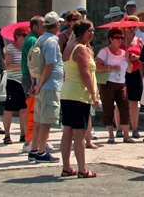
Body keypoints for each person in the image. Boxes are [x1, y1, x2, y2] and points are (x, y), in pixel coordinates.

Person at [60, 19, 98, 178]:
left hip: (68, 93)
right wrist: (94, 95)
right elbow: (85, 74)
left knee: (67, 131)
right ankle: (82, 169)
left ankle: (67, 167)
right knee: (79, 133)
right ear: (82, 32)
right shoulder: (80, 49)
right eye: (90, 30)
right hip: (78, 95)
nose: (93, 33)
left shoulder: (70, 47)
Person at [28, 12, 64, 163]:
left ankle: (34, 149)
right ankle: (42, 152)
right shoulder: (51, 42)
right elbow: (49, 64)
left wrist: (35, 84)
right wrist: (41, 84)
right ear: (56, 25)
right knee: (46, 120)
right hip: (49, 85)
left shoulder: (40, 40)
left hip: (40, 85)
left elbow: (34, 65)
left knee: (38, 120)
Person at [96, 27, 129, 144]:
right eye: (117, 37)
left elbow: (129, 70)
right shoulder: (104, 52)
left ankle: (126, 135)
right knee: (108, 108)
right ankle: (110, 135)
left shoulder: (125, 53)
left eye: (121, 37)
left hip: (121, 83)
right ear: (110, 39)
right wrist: (110, 68)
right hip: (108, 83)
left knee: (124, 107)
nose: (120, 40)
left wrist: (129, 59)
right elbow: (97, 66)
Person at [20, 16, 44, 151]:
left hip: (31, 77)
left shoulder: (33, 39)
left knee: (37, 110)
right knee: (32, 110)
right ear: (35, 27)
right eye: (42, 25)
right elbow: (33, 64)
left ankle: (38, 140)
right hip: (31, 78)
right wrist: (34, 82)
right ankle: (29, 142)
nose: (45, 28)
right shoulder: (33, 40)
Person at [2, 26, 29, 145]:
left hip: (24, 80)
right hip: (13, 81)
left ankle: (23, 134)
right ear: (17, 36)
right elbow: (7, 66)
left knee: (24, 108)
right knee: (9, 109)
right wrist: (22, 66)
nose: (25, 37)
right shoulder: (10, 48)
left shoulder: (27, 49)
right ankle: (7, 135)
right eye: (23, 35)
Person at [122, 17, 144, 141]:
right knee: (121, 102)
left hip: (136, 73)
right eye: (129, 26)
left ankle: (135, 129)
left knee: (134, 102)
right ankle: (121, 128)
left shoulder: (139, 41)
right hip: (122, 73)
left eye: (133, 26)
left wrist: (137, 57)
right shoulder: (119, 40)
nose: (131, 28)